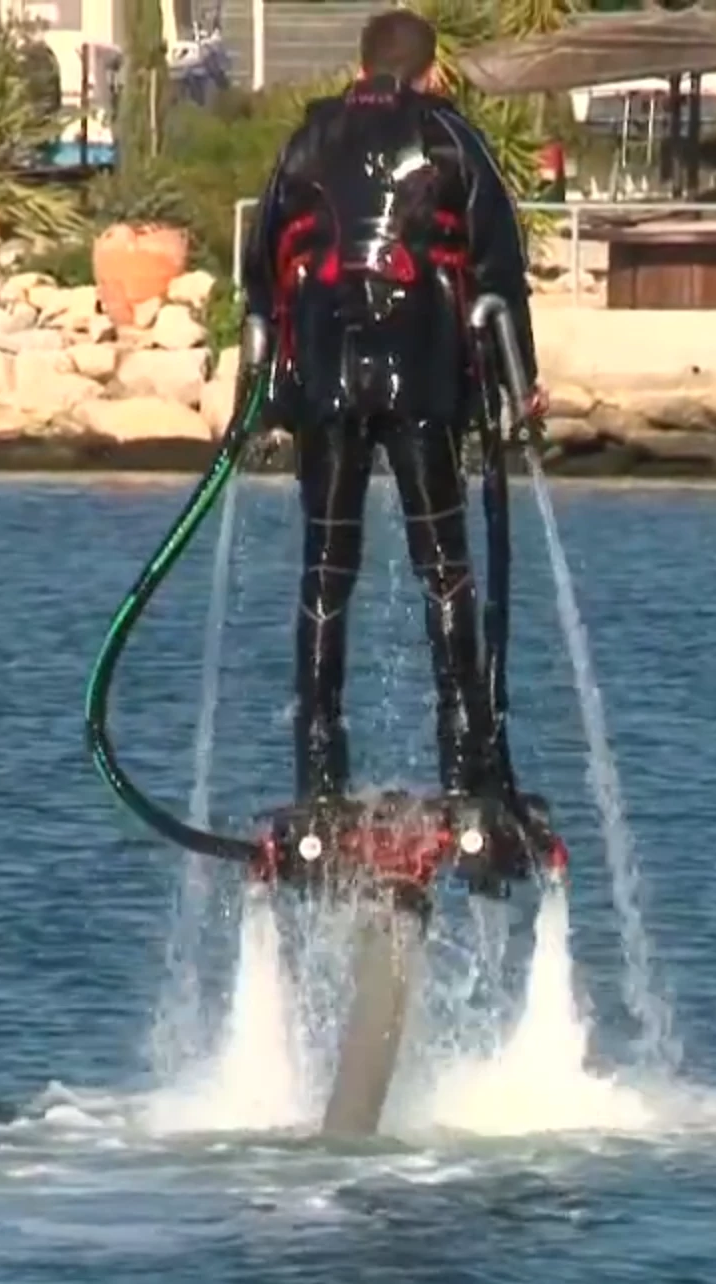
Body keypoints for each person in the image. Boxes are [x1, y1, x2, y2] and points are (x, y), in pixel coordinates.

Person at [239, 7, 547, 817]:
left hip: (326, 378)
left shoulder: (306, 141)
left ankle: (319, 764)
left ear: (360, 66)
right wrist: (523, 386)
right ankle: (463, 757)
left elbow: (261, 268)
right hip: (425, 376)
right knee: (443, 566)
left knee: (325, 571)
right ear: (431, 70)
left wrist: (262, 387)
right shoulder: (453, 139)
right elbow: (500, 271)